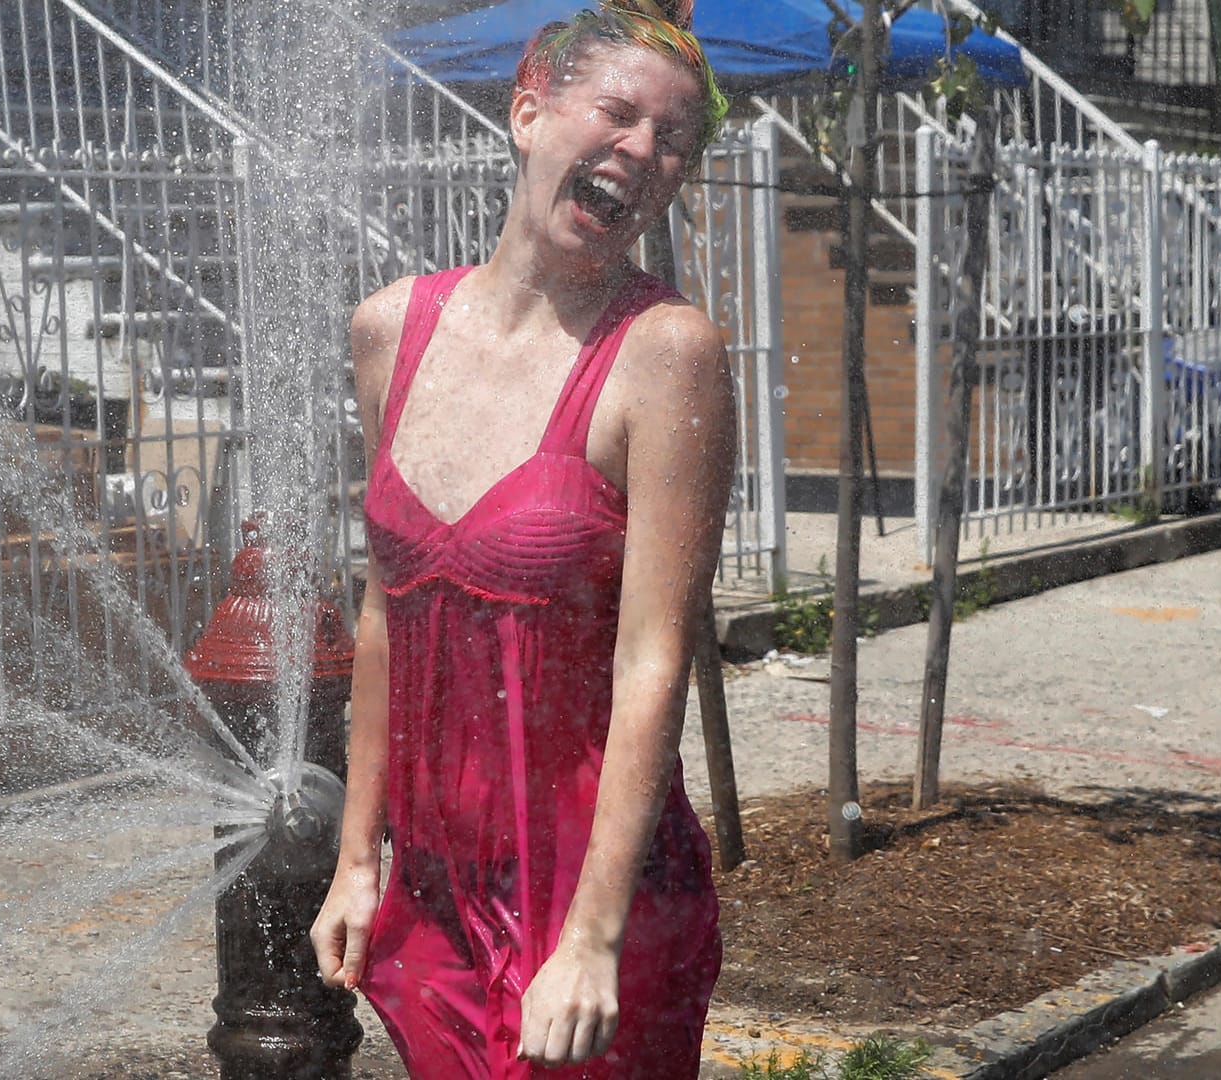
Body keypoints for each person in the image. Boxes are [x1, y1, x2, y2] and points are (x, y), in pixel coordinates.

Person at [311, 1, 734, 1074]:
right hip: (435, 897)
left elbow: (653, 658)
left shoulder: (665, 354)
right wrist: (358, 859)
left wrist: (590, 940)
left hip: (599, 894)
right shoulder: (388, 331)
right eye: (620, 113)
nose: (642, 151)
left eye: (673, 141)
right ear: (529, 110)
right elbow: (382, 617)